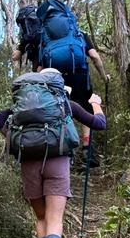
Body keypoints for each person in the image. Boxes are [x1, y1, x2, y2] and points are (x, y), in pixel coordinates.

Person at [0, 68, 106, 238]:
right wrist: (95, 104)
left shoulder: (22, 109)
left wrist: (17, 138)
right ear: (58, 86)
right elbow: (99, 123)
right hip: (58, 162)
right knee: (55, 217)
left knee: (41, 217)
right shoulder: (66, 105)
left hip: (28, 162)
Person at [13, 28, 110, 157]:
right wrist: (104, 77)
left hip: (54, 79)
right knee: (85, 108)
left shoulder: (45, 37)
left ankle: (63, 145)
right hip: (79, 75)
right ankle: (87, 150)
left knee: (58, 108)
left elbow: (40, 67)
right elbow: (94, 56)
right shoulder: (79, 34)